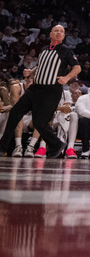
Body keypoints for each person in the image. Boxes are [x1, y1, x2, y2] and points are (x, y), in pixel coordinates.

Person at [0, 24, 80, 158]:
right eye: (56, 31)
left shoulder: (66, 50)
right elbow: (41, 66)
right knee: (15, 112)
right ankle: (3, 146)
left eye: (61, 31)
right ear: (51, 34)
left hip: (51, 90)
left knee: (39, 122)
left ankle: (56, 144)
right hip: (35, 88)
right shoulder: (43, 49)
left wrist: (66, 78)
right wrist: (30, 71)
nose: (59, 33)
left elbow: (77, 68)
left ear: (64, 35)